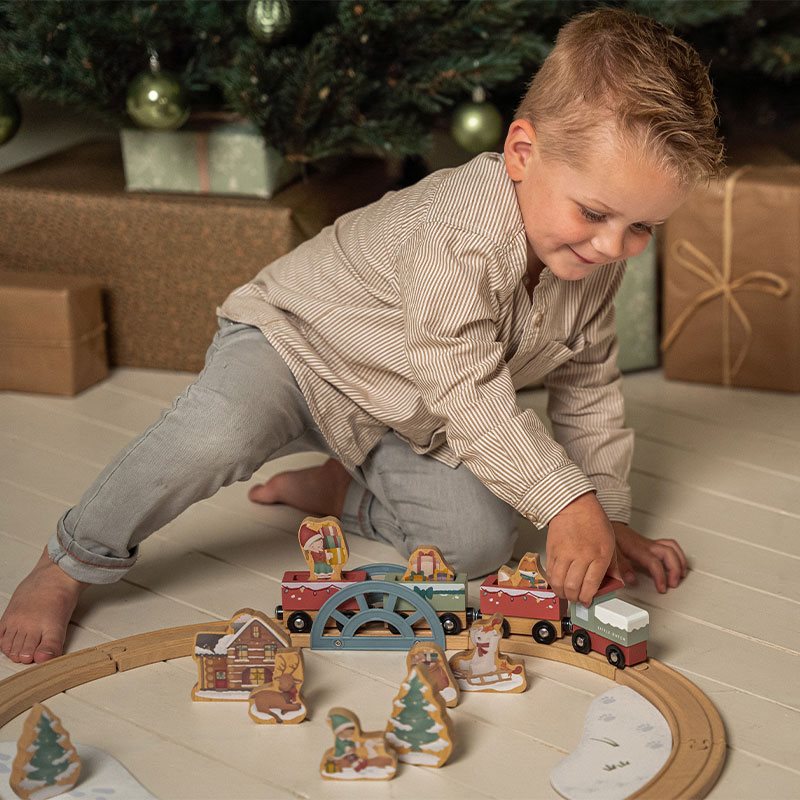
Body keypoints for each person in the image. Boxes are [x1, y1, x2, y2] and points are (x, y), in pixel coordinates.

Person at [0, 7, 722, 665]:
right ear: (522, 153)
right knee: (214, 434)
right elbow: (465, 387)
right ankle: (68, 561)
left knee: (475, 545)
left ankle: (336, 485)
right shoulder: (458, 230)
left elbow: (589, 387)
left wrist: (609, 510)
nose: (612, 246)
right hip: (299, 350)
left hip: (406, 411)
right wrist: (567, 503)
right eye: (595, 212)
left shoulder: (592, 265)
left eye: (641, 228)